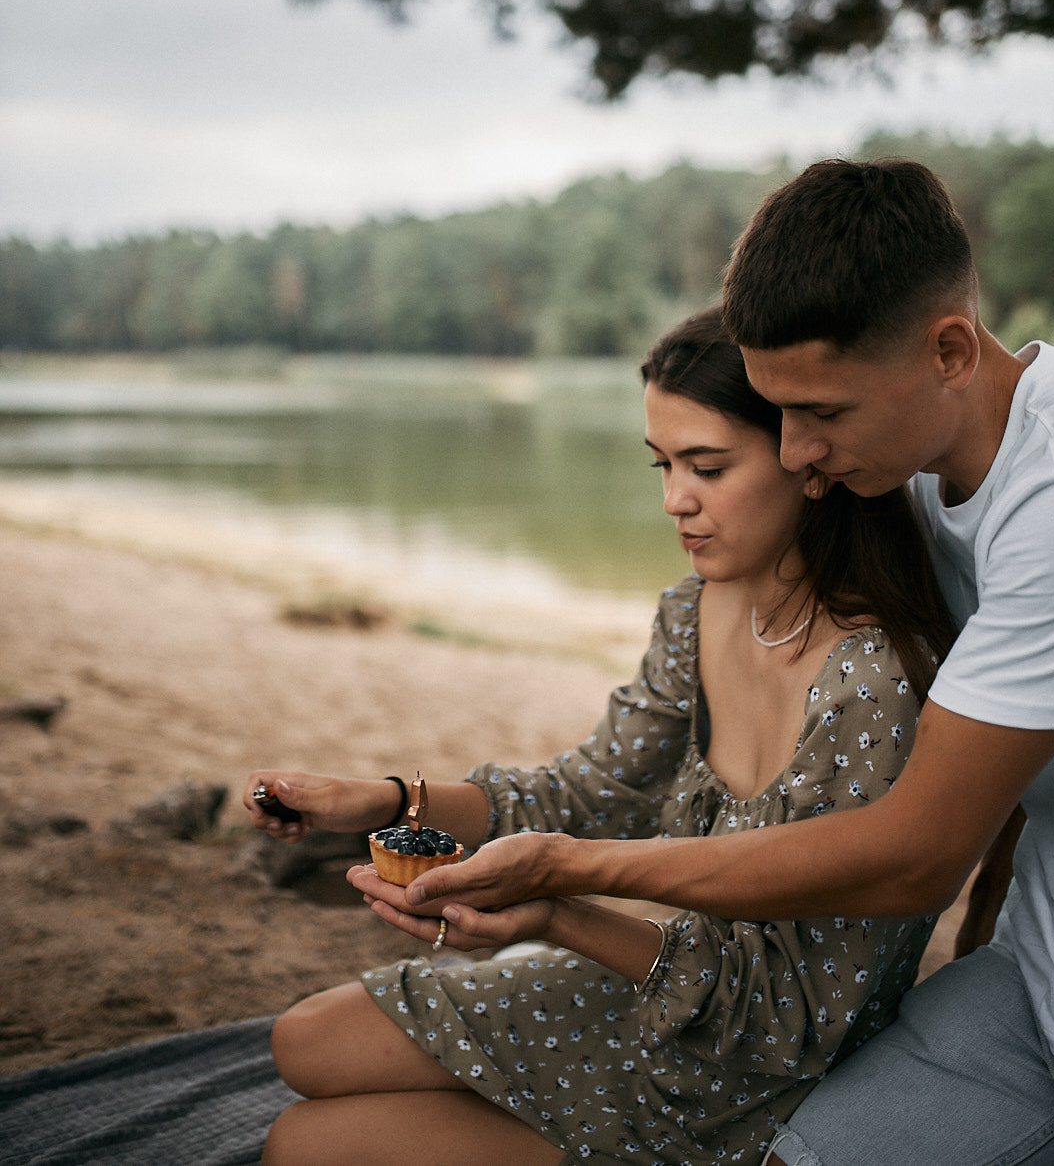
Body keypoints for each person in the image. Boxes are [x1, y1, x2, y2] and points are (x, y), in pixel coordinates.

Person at [412, 158, 1054, 1165]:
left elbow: (916, 852)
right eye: (779, 415)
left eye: (822, 413)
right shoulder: (922, 469)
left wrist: (565, 872)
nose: (797, 452)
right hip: (1039, 980)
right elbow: (1022, 778)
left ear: (948, 350)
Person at [245, 314, 956, 1166]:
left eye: (707, 466)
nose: (673, 501)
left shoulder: (868, 688)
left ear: (807, 459)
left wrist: (560, 917)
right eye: (663, 465)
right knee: (305, 1041)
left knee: (305, 1145)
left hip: (749, 1084)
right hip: (647, 976)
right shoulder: (699, 608)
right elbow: (592, 792)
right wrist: (388, 799)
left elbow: (789, 1018)